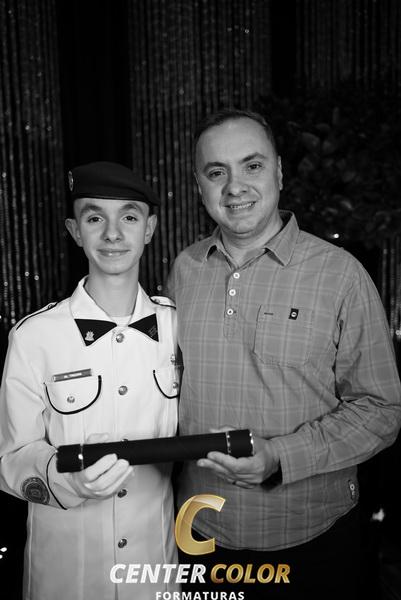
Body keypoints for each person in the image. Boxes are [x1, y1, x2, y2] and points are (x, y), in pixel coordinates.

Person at [167, 109, 401, 599]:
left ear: (278, 171)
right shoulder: (183, 270)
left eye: (252, 166)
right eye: (217, 172)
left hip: (311, 543)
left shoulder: (341, 275)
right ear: (199, 185)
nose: (235, 187)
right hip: (199, 536)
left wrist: (280, 456)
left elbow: (382, 410)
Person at [0, 162, 181, 600]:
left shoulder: (179, 326)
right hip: (65, 577)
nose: (113, 234)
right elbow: (11, 459)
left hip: (153, 571)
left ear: (150, 228)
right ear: (75, 231)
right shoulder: (33, 336)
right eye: (95, 217)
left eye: (129, 217)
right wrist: (70, 481)